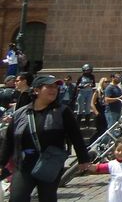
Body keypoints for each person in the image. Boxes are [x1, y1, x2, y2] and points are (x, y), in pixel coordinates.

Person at [0, 74, 91, 202]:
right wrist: (1, 163)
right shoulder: (20, 114)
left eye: (55, 87)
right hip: (24, 164)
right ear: (36, 90)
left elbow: (75, 136)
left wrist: (83, 159)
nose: (54, 90)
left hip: (49, 164)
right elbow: (9, 140)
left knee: (47, 198)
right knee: (17, 198)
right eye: (49, 87)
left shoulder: (62, 111)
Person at [90, 78, 109, 143]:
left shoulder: (107, 91)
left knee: (104, 130)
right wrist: (97, 113)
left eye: (107, 82)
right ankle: (90, 143)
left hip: (106, 112)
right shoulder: (97, 91)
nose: (107, 83)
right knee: (99, 130)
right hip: (99, 112)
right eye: (105, 82)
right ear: (102, 83)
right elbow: (92, 103)